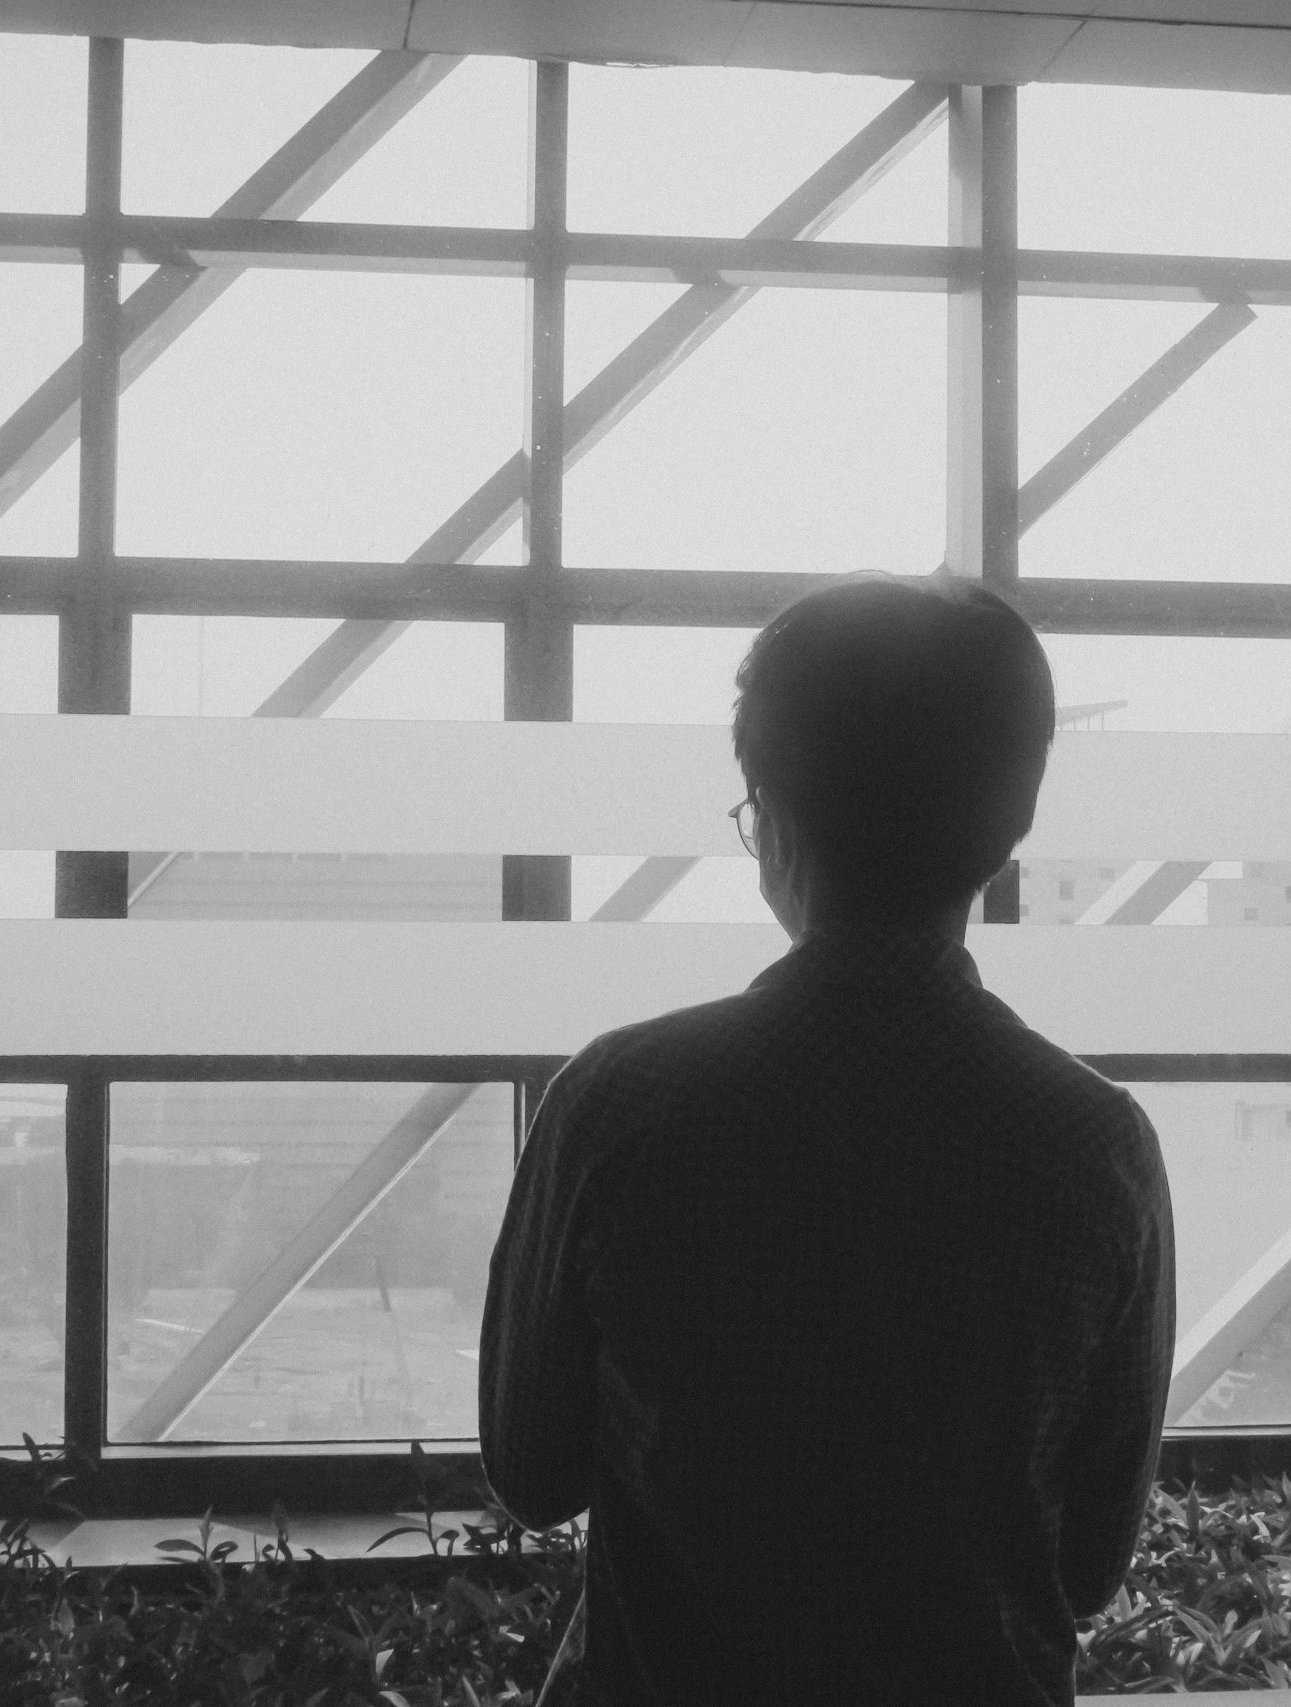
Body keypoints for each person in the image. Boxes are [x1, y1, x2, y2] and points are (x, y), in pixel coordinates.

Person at [479, 573, 1175, 1706]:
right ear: (1009, 827)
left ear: (775, 814)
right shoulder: (1094, 1145)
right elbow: (1088, 1567)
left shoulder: (624, 1101)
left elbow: (532, 1470)